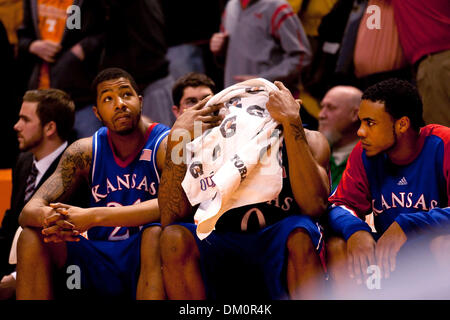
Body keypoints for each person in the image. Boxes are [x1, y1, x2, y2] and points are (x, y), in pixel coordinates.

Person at [159, 80, 330, 299]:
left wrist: (291, 122)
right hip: (219, 237)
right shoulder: (187, 144)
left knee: (301, 232)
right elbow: (170, 217)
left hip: (275, 234)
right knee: (172, 237)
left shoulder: (310, 139)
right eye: (193, 102)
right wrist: (177, 137)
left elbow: (315, 206)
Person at [16, 68, 170, 300]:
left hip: (145, 253)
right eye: (108, 98)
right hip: (100, 256)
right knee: (31, 235)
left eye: (126, 95)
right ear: (97, 113)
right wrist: (56, 218)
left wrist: (92, 217)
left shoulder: (164, 143)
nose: (119, 104)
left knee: (155, 235)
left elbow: (175, 206)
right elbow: (29, 210)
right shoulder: (84, 151)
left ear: (140, 101)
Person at [326, 78, 450, 299]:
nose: (360, 132)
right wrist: (355, 230)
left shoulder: (443, 143)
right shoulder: (364, 152)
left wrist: (408, 223)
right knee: (337, 245)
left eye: (370, 123)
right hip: (388, 251)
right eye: (361, 122)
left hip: (430, 248)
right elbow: (338, 204)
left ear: (402, 124)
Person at [0, 89, 80, 300]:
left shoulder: (77, 168)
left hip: (59, 278)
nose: (16, 126)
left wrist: (17, 277)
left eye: (25, 119)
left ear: (50, 128)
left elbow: (70, 245)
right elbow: (10, 224)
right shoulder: (23, 162)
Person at [17, 0, 106, 139]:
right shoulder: (33, 2)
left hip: (78, 96)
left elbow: (104, 30)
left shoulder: (83, 4)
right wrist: (32, 46)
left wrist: (80, 50)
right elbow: (23, 35)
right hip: (39, 95)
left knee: (91, 152)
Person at [210, 0, 312, 93]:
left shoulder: (277, 7)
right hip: (232, 97)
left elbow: (302, 56)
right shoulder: (231, 6)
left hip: (267, 99)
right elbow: (229, 55)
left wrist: (264, 79)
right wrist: (219, 49)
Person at [318, 85, 362, 191]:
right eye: (322, 107)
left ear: (355, 114)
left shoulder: (371, 159)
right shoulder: (312, 153)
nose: (321, 115)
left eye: (330, 108)